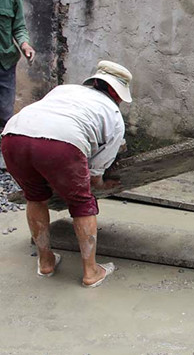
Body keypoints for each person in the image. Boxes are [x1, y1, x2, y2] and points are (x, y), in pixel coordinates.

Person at [1, 60, 133, 288]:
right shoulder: (113, 114)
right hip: (62, 144)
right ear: (118, 94)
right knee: (82, 203)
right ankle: (91, 272)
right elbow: (94, 176)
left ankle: (46, 262)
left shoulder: (63, 89)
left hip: (14, 135)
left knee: (35, 196)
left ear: (94, 81)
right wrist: (102, 184)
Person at [0, 0, 35, 168]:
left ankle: (6, 157)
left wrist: (25, 45)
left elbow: (19, 27)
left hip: (5, 60)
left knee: (5, 110)